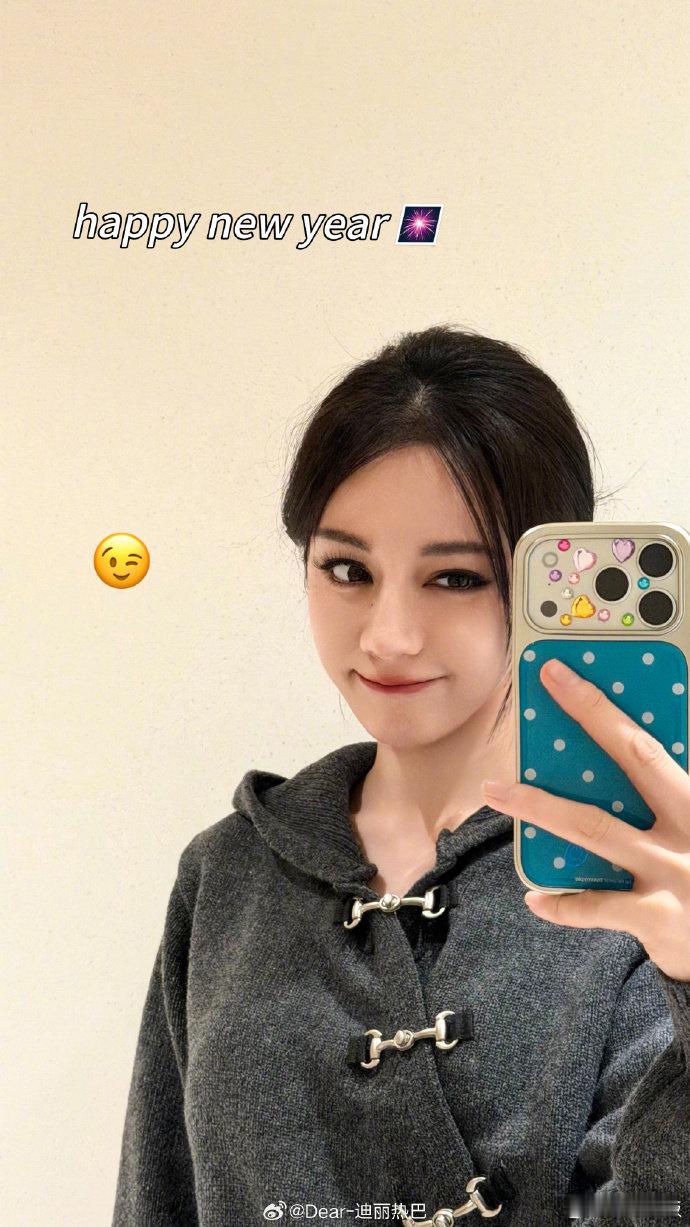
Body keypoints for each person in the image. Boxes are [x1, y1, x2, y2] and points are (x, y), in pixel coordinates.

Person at [112, 325, 690, 1226]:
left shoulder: (632, 873)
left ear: (547, 588)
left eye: (455, 578)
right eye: (347, 568)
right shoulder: (228, 873)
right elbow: (158, 1198)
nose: (388, 636)